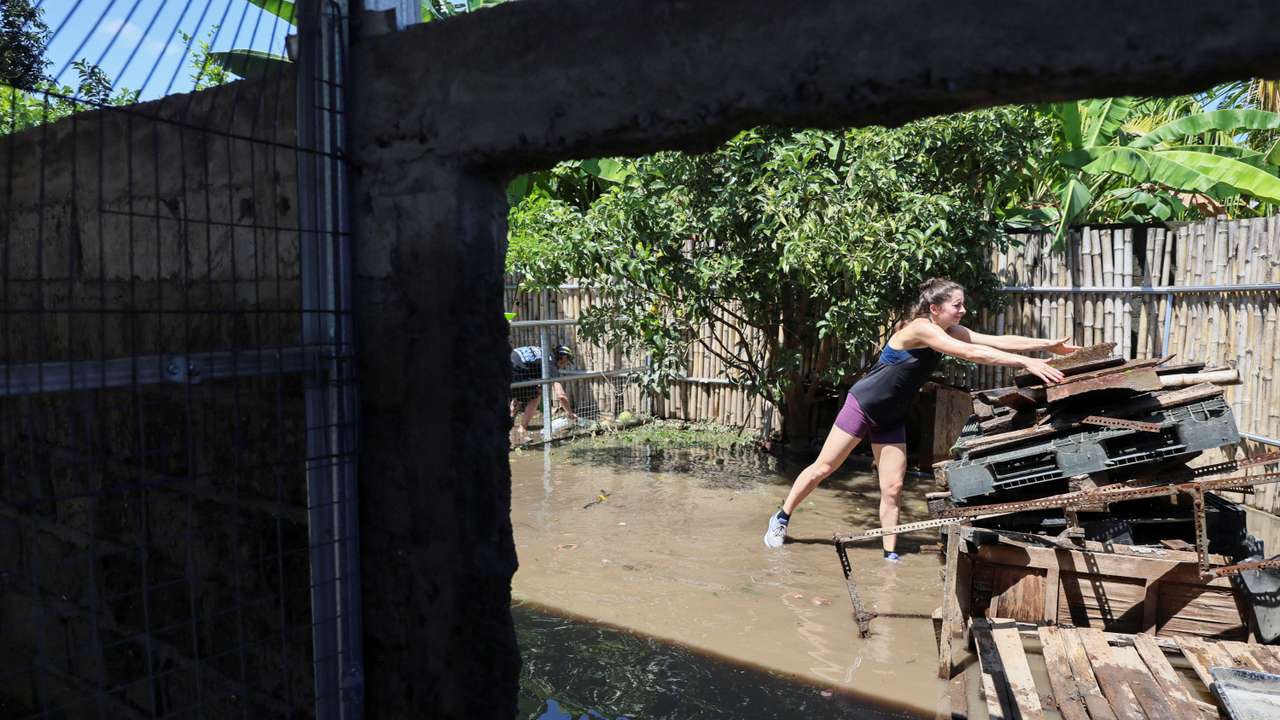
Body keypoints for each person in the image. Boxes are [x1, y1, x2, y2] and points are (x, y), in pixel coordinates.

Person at [762, 278, 1079, 557]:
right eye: (957, 305)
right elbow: (968, 353)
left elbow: (995, 341)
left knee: (893, 487)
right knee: (824, 468)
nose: (962, 310)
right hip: (863, 404)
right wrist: (1025, 364)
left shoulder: (948, 329)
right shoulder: (919, 329)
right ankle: (782, 518)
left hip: (892, 414)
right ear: (935, 307)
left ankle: (889, 555)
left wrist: (1047, 345)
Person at [511, 344, 577, 440]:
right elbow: (561, 395)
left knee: (521, 391)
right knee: (536, 394)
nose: (565, 365)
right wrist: (570, 413)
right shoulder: (550, 364)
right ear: (563, 357)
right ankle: (522, 429)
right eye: (567, 362)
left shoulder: (544, 352)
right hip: (515, 371)